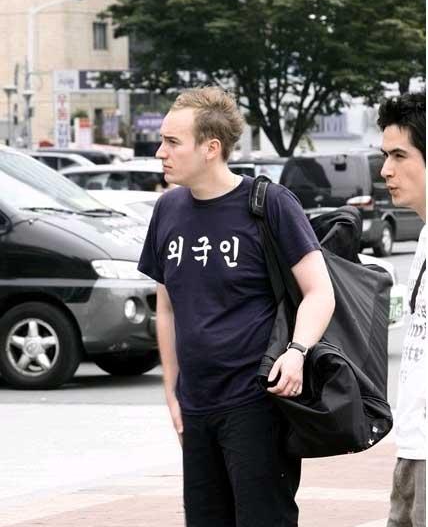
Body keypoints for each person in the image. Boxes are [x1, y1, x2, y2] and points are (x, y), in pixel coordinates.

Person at [138, 86, 335, 527]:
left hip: (256, 402)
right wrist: (172, 394)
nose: (160, 152)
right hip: (196, 405)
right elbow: (166, 308)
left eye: (172, 142)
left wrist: (297, 352)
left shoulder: (268, 204)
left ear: (211, 148)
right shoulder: (167, 210)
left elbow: (320, 291)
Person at [378, 91, 426, 527]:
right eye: (384, 156)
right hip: (412, 444)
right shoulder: (424, 236)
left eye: (399, 155)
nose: (385, 170)